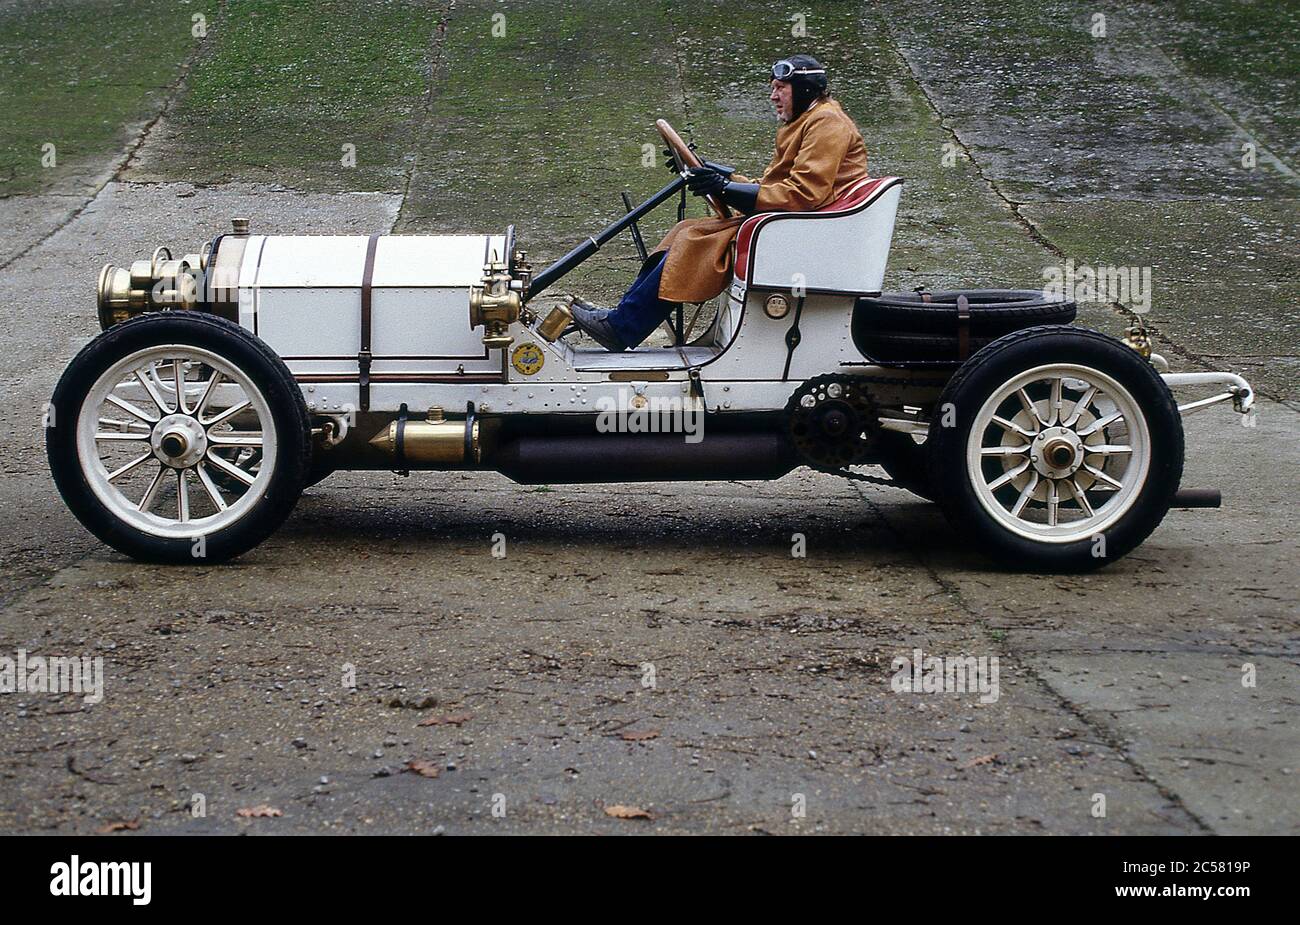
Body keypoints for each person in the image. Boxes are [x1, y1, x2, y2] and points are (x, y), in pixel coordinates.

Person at [570, 54, 870, 351]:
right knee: (686, 230)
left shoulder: (827, 122)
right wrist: (710, 171)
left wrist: (724, 188)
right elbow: (774, 187)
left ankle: (622, 328)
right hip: (794, 222)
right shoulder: (808, 120)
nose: (773, 96)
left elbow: (803, 195)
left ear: (805, 90)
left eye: (780, 88)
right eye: (773, 88)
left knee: (694, 240)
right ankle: (622, 318)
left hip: (806, 228)